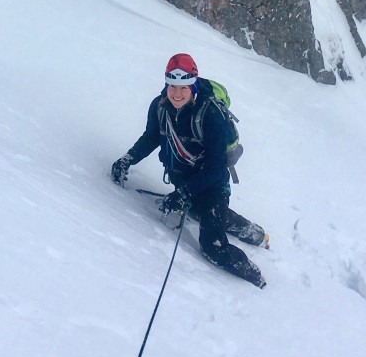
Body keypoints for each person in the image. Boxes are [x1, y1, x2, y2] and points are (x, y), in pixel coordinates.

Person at [111, 53, 267, 289]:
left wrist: (183, 193)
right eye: (172, 85)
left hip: (214, 185)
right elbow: (152, 137)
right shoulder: (160, 106)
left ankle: (258, 279)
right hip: (183, 179)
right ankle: (255, 233)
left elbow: (216, 168)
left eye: (184, 86)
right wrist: (127, 160)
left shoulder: (211, 115)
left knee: (211, 245)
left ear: (193, 85)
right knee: (203, 214)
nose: (177, 92)